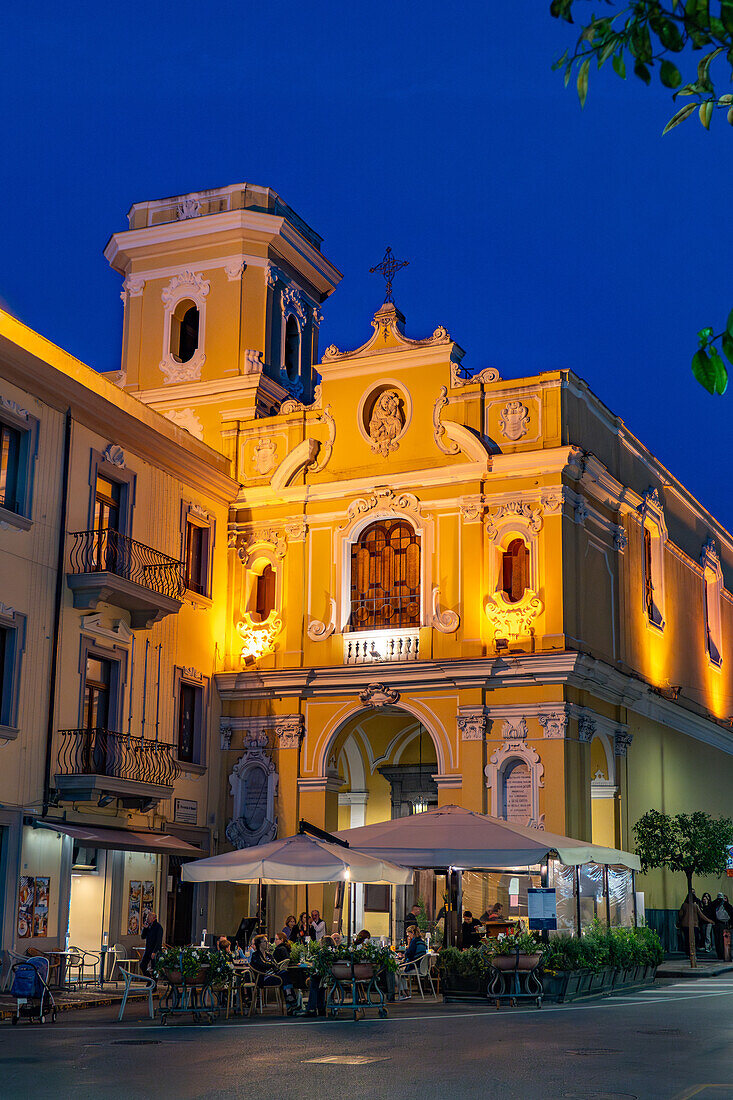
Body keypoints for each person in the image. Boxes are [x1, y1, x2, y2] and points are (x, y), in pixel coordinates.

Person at [249, 934, 297, 1011]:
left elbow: (275, 965)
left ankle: (290, 1004)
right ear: (259, 944)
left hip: (273, 975)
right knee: (285, 975)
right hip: (263, 978)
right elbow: (263, 965)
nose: (267, 943)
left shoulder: (268, 955)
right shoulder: (256, 955)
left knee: (285, 975)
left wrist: (272, 965)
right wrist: (271, 964)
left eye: (267, 941)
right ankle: (291, 1002)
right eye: (265, 941)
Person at [304, 935, 335, 1017]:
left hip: (325, 976)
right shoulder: (334, 951)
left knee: (314, 981)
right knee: (320, 986)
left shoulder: (322, 953)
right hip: (332, 975)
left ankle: (311, 1008)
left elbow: (317, 965)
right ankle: (321, 1008)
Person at [398, 925, 428, 999]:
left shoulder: (414, 942)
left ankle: (403, 992)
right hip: (421, 967)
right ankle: (406, 991)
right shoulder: (422, 942)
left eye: (409, 934)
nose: (408, 936)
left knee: (397, 971)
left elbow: (409, 954)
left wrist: (402, 955)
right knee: (401, 971)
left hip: (414, 966)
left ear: (412, 933)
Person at [140, 910, 164, 977]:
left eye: (149, 918)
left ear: (154, 918)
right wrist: (145, 929)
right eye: (147, 918)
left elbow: (159, 941)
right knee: (142, 965)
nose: (148, 920)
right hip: (148, 950)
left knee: (154, 968)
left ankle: (154, 984)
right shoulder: (148, 927)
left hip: (155, 951)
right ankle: (149, 980)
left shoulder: (158, 927)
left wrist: (154, 952)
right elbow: (143, 937)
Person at [711, 892, 733, 960]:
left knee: (725, 941)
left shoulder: (727, 906)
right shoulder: (715, 905)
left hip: (724, 924)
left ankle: (725, 954)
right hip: (718, 924)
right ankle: (721, 954)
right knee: (718, 941)